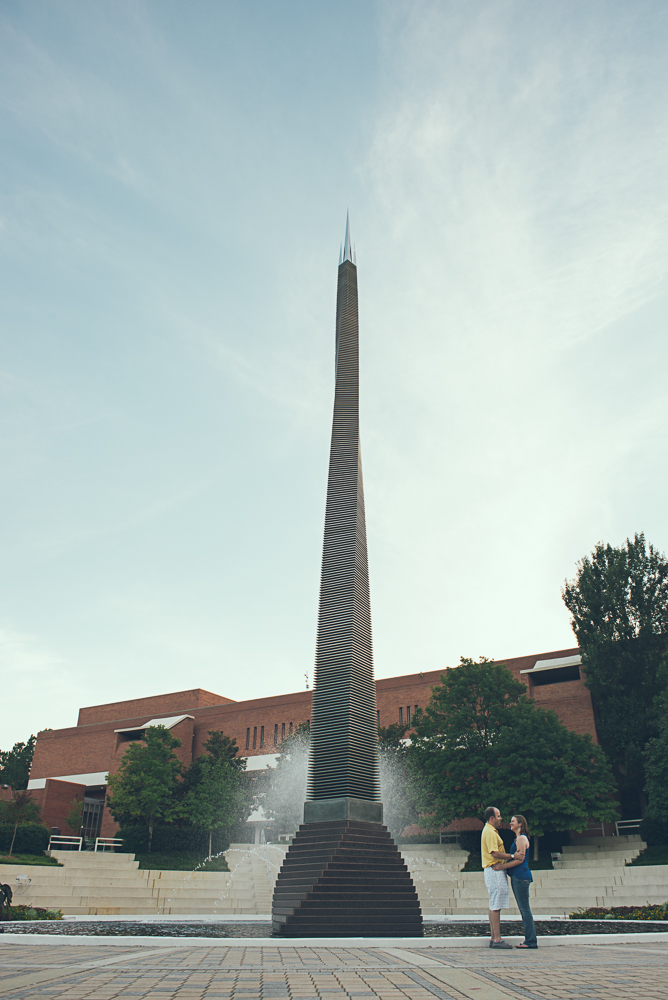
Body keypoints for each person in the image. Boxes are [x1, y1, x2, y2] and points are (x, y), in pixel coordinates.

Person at [481, 805, 524, 949]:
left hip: (492, 870)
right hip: (494, 869)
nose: (501, 818)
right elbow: (495, 853)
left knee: (494, 904)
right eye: (498, 816)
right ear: (492, 818)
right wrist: (512, 856)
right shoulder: (491, 833)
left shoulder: (489, 831)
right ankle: (497, 939)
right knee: (496, 905)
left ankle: (494, 938)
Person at [493, 814, 537, 949]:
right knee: (524, 909)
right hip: (517, 877)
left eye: (513, 822)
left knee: (525, 909)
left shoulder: (522, 839)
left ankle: (530, 941)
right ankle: (530, 940)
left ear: (520, 824)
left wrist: (502, 867)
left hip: (520, 877)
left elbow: (519, 860)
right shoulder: (518, 838)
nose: (510, 823)